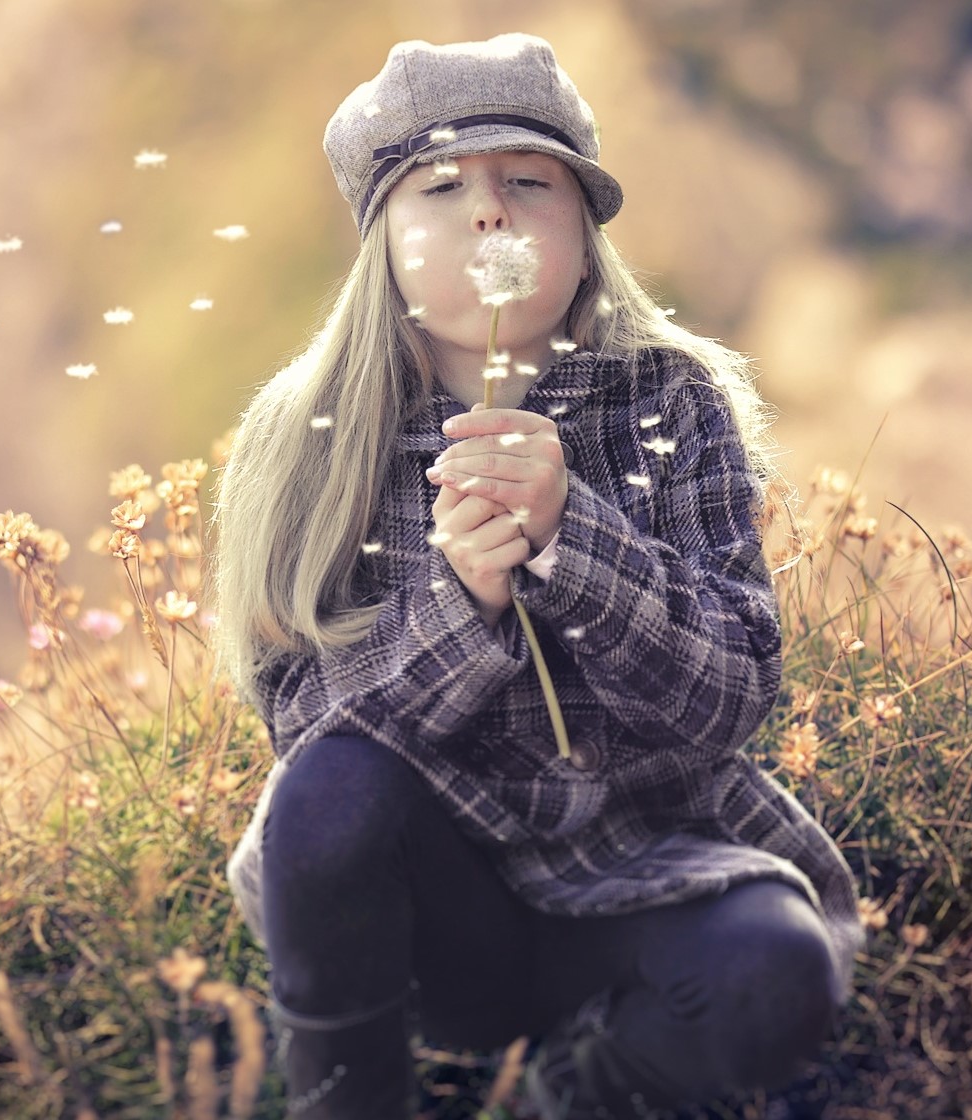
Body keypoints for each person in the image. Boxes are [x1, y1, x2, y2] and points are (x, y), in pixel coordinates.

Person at [205, 33, 865, 1119]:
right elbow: (306, 745)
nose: (488, 212)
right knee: (326, 788)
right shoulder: (314, 435)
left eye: (527, 181)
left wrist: (576, 541)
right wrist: (458, 607)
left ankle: (566, 1092)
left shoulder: (670, 399)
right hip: (431, 917)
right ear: (379, 236)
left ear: (584, 227)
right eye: (439, 187)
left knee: (772, 973)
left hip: (647, 872)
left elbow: (733, 695)